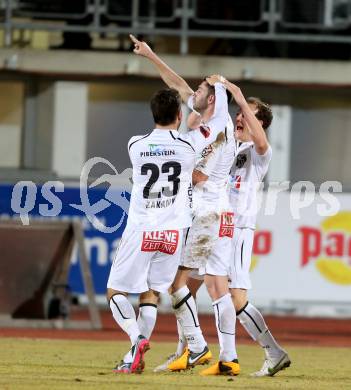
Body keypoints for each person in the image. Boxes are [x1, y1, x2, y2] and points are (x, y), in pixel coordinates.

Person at [107, 51, 229, 374]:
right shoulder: (189, 147)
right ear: (179, 114)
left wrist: (148, 55)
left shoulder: (135, 144)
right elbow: (213, 129)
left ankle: (136, 341)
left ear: (153, 114)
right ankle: (138, 355)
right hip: (172, 233)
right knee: (153, 293)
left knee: (115, 291)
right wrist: (221, 93)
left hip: (141, 227)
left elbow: (178, 103)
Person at [182, 80, 291, 377]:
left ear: (261, 123)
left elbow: (259, 140)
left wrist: (236, 93)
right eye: (239, 113)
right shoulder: (231, 146)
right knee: (188, 284)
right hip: (216, 223)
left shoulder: (260, 152)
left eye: (248, 114)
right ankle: (188, 350)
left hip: (238, 227)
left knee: (236, 296)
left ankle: (273, 351)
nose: (240, 117)